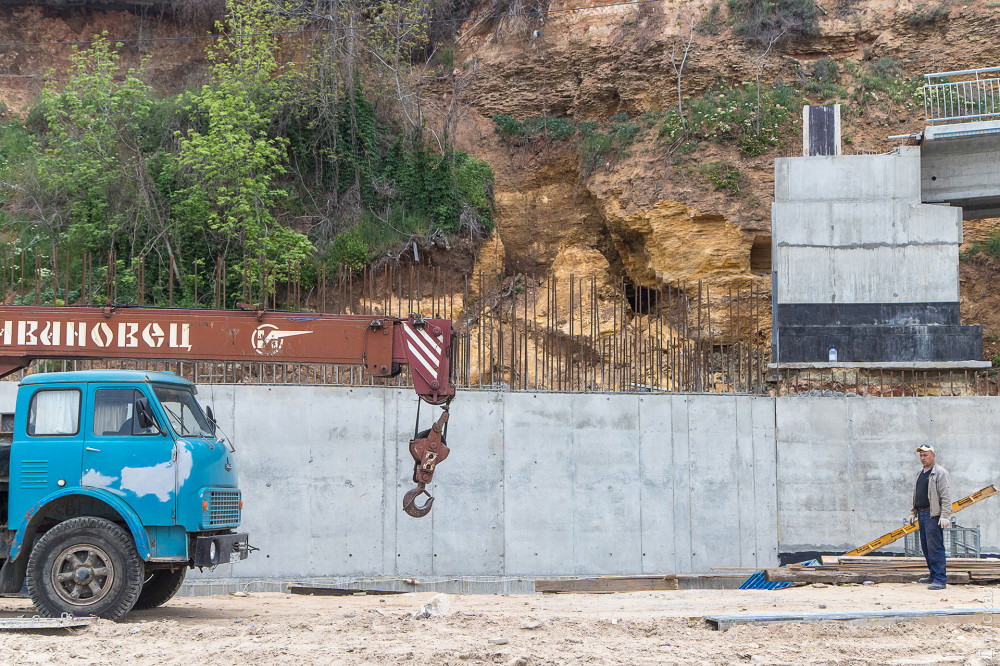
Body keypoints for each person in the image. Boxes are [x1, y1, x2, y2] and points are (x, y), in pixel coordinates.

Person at [907, 445, 951, 590]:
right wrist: (913, 512)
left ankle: (940, 579)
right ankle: (933, 575)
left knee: (935, 547)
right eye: (921, 455)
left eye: (925, 455)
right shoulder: (920, 473)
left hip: (933, 515)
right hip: (921, 513)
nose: (923, 458)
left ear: (933, 455)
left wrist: (945, 515)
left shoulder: (940, 473)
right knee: (926, 547)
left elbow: (945, 496)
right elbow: (917, 495)